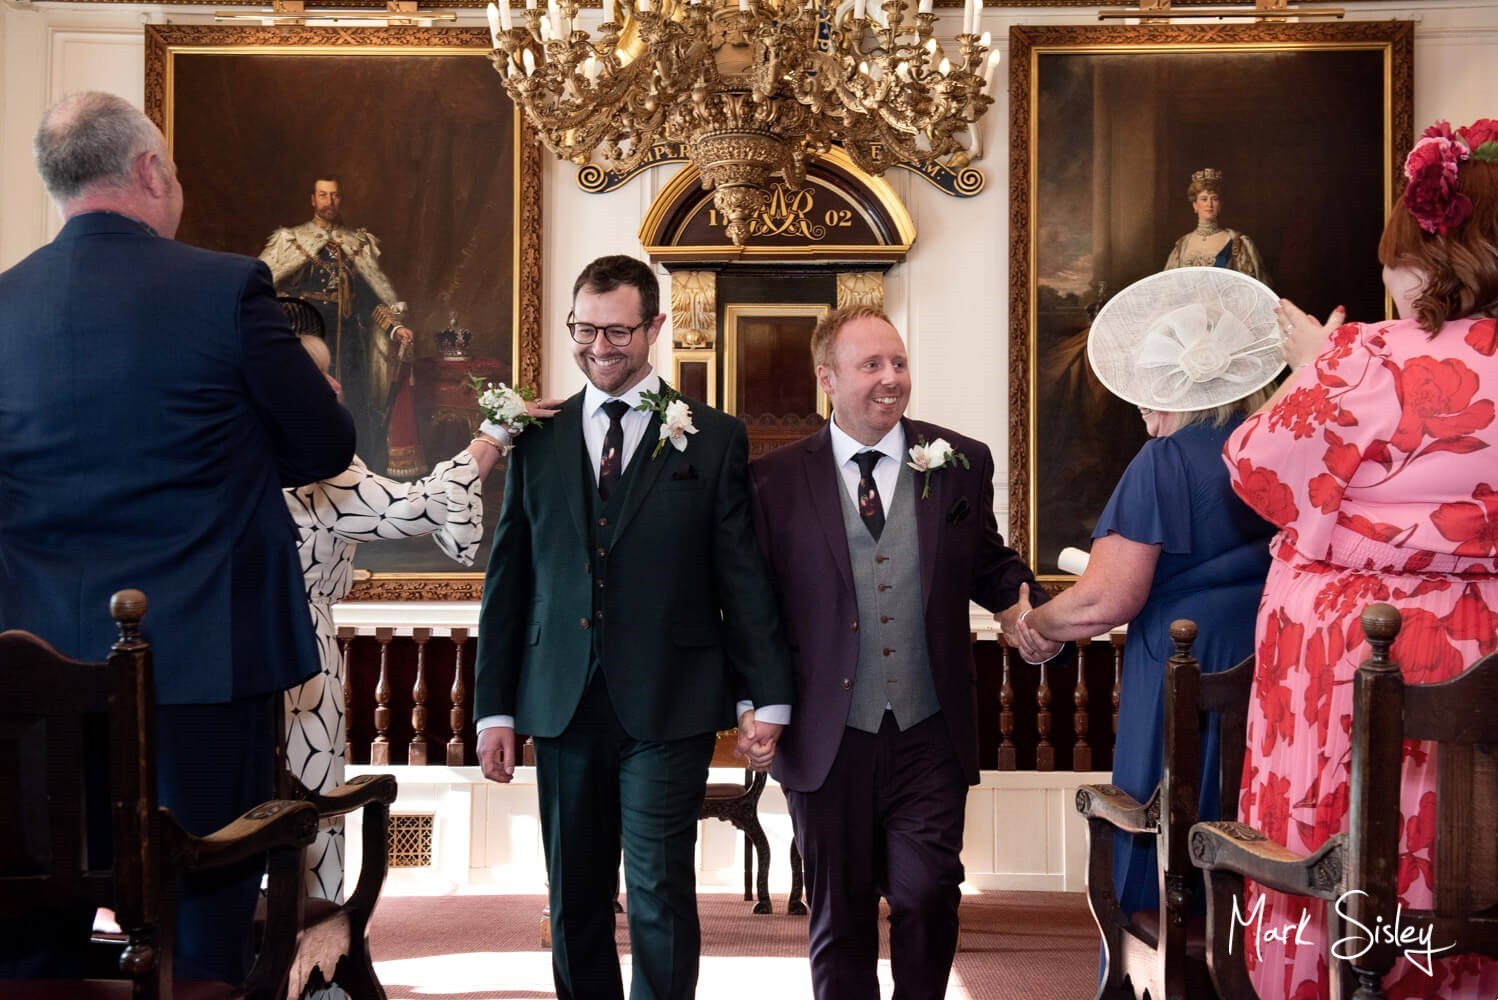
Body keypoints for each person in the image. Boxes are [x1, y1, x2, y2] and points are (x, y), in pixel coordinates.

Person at [0, 92, 354, 982]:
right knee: (203, 930)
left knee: (36, 933)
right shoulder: (225, 288)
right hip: (203, 662)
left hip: (32, 675)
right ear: (150, 171)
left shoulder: (3, 304)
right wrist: (243, 446)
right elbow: (323, 444)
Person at [1222, 118, 1498, 998]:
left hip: (1353, 649)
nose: (1386, 280)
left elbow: (1257, 471)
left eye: (1394, 260)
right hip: (1487, 642)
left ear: (1431, 258)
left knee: (1348, 832)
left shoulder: (1366, 353)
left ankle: (1335, 972)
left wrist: (1313, 366)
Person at [473, 254, 794, 1000]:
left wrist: (766, 694)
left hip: (671, 699)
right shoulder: (536, 438)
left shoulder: (711, 437)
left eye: (617, 331)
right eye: (584, 329)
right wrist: (495, 709)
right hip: (560, 699)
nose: (599, 347)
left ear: (654, 327)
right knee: (575, 894)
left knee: (658, 890)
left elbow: (741, 576)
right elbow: (509, 580)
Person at [747, 305, 1062, 1000]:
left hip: (929, 730)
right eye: (872, 365)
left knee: (928, 895)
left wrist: (1025, 612)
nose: (891, 378)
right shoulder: (773, 481)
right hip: (825, 735)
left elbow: (988, 562)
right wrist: (754, 702)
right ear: (828, 378)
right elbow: (754, 609)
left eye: (899, 363)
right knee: (841, 918)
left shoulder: (958, 462)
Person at [1009, 267, 1279, 922]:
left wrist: (1036, 623)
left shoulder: (1166, 461)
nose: (1143, 410)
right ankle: (1254, 944)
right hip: (1273, 652)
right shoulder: (1275, 449)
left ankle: (1163, 942)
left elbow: (1105, 599)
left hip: (1186, 661)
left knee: (1171, 820)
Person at [282, 329, 560, 905]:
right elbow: (416, 506)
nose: (335, 383)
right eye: (318, 374)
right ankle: (305, 945)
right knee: (306, 810)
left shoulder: (235, 450)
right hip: (298, 654)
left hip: (237, 651)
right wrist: (494, 434)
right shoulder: (313, 465)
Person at [261, 176, 415, 475]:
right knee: (310, 402)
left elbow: (370, 299)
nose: (329, 201)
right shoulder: (293, 240)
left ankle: (356, 471)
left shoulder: (356, 244)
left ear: (340, 199)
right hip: (310, 338)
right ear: (313, 199)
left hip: (351, 344)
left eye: (334, 195)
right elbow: (271, 288)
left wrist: (395, 328)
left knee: (355, 404)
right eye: (323, 195)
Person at [1164, 168, 1268, 282]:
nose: (1209, 204)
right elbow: (1170, 286)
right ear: (1195, 205)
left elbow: (1249, 287)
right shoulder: (1182, 245)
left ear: (1220, 205)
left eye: (1214, 199)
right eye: (1204, 199)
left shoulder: (1237, 242)